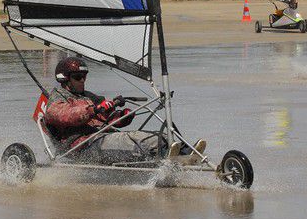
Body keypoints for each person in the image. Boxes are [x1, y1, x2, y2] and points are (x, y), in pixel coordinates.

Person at [42, 57, 206, 165]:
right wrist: (95, 109)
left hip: (102, 138)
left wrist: (123, 116)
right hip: (82, 147)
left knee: (161, 135)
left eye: (84, 76)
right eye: (78, 77)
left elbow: (108, 120)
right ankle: (170, 159)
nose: (83, 80)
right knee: (142, 140)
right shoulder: (56, 100)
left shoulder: (89, 97)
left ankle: (188, 154)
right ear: (64, 79)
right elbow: (66, 116)